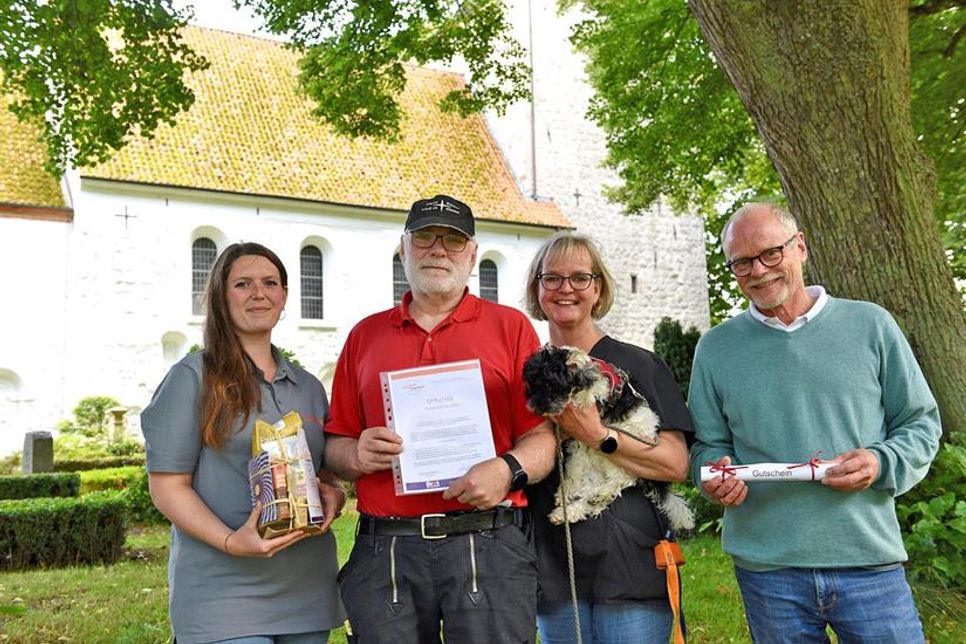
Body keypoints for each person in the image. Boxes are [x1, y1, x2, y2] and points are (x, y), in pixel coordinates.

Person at [688, 202, 942, 643]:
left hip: (867, 558)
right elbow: (705, 447)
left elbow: (920, 423)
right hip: (768, 569)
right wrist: (712, 475)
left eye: (771, 253)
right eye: (743, 262)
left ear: (800, 247)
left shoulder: (871, 325)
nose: (759, 271)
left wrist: (880, 462)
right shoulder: (715, 349)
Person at [324, 194, 556, 644]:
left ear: (472, 255)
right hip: (386, 548)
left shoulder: (512, 328)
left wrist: (506, 470)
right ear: (404, 248)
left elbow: (541, 436)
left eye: (452, 241)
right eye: (425, 237)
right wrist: (355, 452)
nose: (437, 249)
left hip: (488, 542)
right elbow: (335, 445)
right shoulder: (365, 336)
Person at [142, 242, 346, 644]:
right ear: (220, 295)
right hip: (222, 592)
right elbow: (166, 486)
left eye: (271, 283)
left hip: (306, 587)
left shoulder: (308, 386)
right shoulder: (191, 378)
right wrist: (231, 542)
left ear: (284, 296)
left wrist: (335, 497)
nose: (259, 293)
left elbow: (324, 474)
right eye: (243, 284)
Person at [522, 232, 693, 644]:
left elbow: (676, 463)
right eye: (553, 278)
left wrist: (600, 436)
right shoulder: (526, 370)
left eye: (580, 278)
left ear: (597, 289)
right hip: (555, 569)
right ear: (537, 289)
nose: (566, 289)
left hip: (630, 568)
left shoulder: (639, 364)